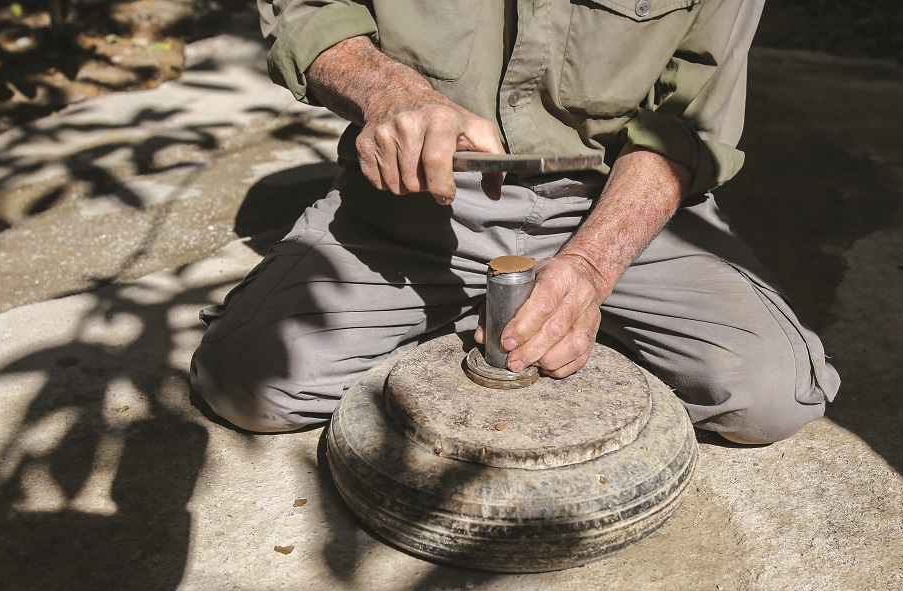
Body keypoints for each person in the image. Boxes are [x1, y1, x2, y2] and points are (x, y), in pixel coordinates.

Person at [190, 0, 840, 444]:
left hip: (618, 199)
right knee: (248, 382)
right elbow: (310, 11)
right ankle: (474, 302)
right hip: (420, 200)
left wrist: (592, 267)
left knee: (771, 396)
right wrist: (388, 91)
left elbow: (689, 123)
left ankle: (560, 308)